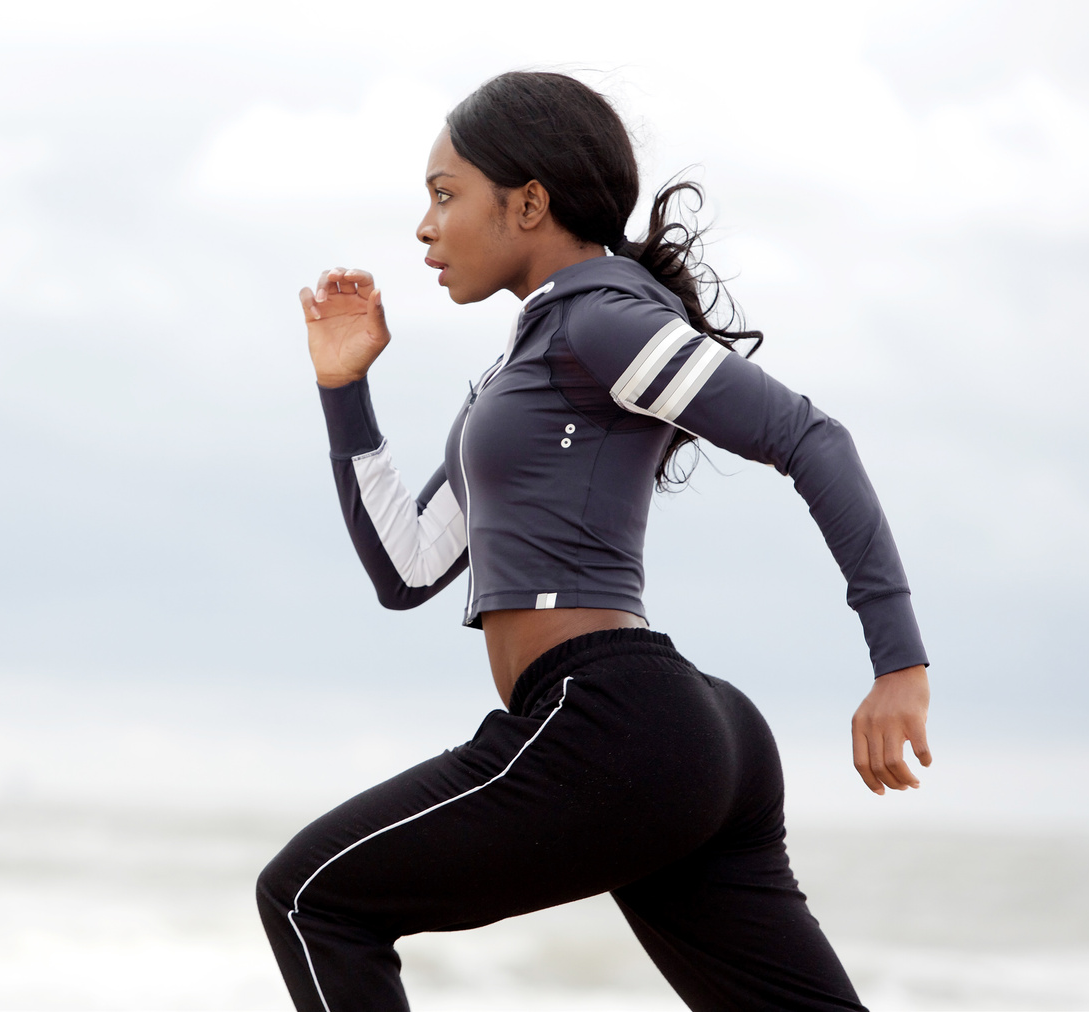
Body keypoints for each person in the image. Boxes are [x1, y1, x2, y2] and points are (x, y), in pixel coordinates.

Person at [257, 71, 932, 1012]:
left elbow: (811, 437)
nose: (424, 227)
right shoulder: (527, 366)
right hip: (670, 737)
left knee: (310, 898)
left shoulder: (604, 322)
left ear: (528, 203)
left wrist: (897, 663)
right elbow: (407, 569)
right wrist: (344, 388)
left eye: (446, 194)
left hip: (610, 720)